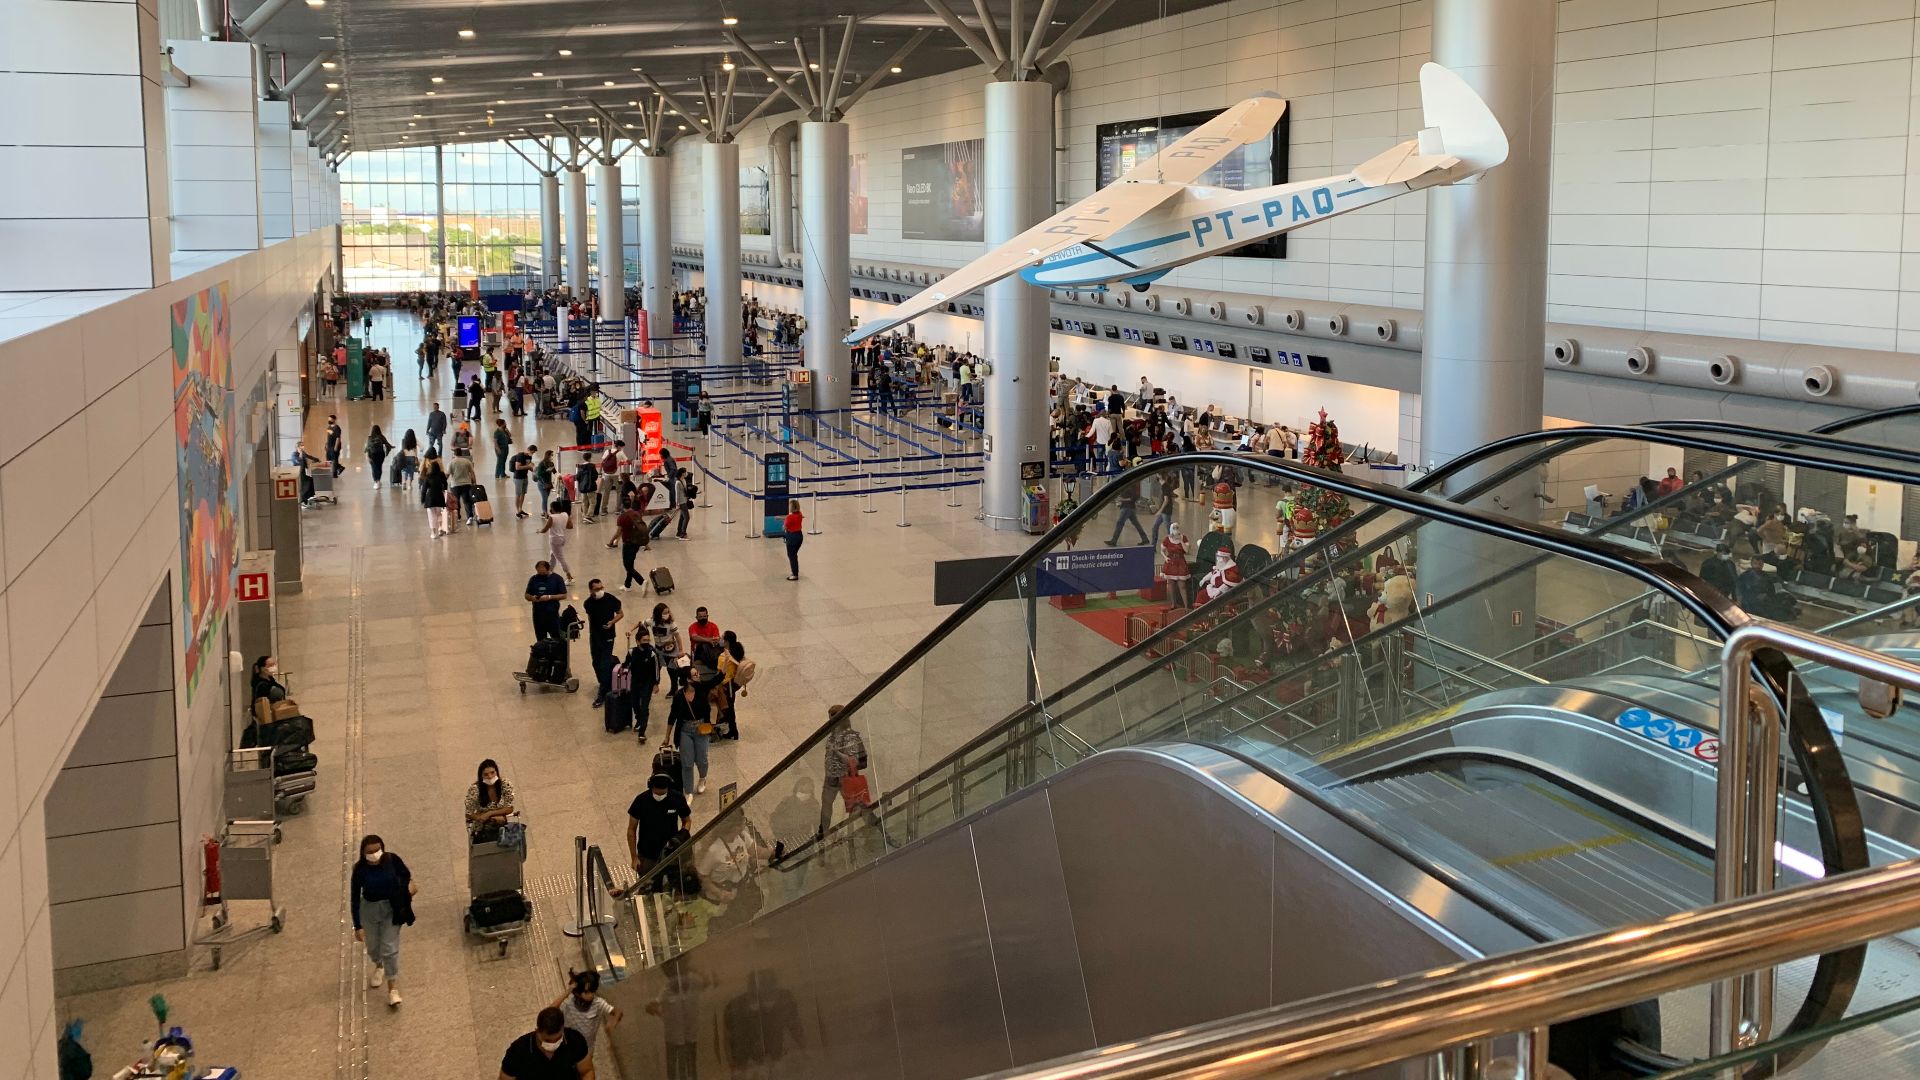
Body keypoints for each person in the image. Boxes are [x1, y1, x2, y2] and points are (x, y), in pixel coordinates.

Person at [350, 834, 413, 1008]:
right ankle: (379, 965)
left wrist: (402, 890)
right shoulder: (360, 870)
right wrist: (358, 925)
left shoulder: (392, 860)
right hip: (369, 910)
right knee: (374, 946)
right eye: (369, 851)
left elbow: (406, 874)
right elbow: (355, 897)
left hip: (391, 909)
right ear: (363, 853)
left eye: (377, 850)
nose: (374, 854)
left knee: (390, 948)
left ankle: (392, 987)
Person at [498, 1007, 593, 1080]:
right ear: (537, 1031)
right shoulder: (518, 1052)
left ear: (562, 1029)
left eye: (558, 1039)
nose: (554, 1044)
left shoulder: (575, 1041)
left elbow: (586, 1072)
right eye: (547, 1040)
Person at [626, 771, 691, 877]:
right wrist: (634, 858)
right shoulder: (641, 800)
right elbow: (631, 830)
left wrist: (682, 835)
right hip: (647, 856)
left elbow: (687, 820)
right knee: (646, 887)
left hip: (671, 853)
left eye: (662, 793)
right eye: (657, 793)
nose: (659, 796)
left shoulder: (677, 798)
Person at [551, 971, 622, 1053]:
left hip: (587, 1047)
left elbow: (617, 1012)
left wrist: (613, 1022)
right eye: (586, 992)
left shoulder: (598, 1003)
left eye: (592, 991)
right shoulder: (568, 1003)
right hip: (568, 1043)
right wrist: (568, 991)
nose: (591, 995)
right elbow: (550, 1010)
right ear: (577, 993)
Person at [583, 578, 623, 708]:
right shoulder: (588, 603)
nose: (600, 591)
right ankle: (603, 682)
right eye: (597, 589)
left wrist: (612, 622)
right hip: (595, 636)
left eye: (601, 588)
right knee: (596, 660)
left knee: (605, 662)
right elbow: (590, 618)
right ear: (591, 590)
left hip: (608, 636)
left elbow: (620, 614)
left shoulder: (610, 599)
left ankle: (602, 692)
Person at [665, 681, 710, 795]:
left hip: (701, 729)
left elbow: (708, 711)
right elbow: (672, 716)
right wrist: (667, 736)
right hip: (685, 730)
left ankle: (702, 778)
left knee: (702, 759)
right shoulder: (679, 696)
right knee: (687, 763)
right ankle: (688, 791)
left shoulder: (701, 693)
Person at [465, 759, 518, 839]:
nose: (490, 777)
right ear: (481, 776)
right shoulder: (475, 789)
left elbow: (509, 808)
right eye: (486, 774)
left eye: (492, 773)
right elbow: (469, 813)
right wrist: (486, 818)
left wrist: (490, 814)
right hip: (482, 830)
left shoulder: (505, 784)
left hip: (503, 826)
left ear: (497, 772)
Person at [608, 494, 652, 590]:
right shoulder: (636, 513)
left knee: (627, 566)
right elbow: (641, 528)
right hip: (637, 543)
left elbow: (618, 533)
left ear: (622, 505)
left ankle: (642, 581)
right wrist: (646, 543)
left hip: (628, 543)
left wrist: (611, 541)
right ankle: (627, 585)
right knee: (630, 563)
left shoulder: (622, 517)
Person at [525, 560, 568, 642]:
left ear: (548, 570)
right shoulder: (533, 579)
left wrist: (550, 597)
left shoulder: (557, 579)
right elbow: (527, 595)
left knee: (556, 637)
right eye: (539, 573)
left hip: (552, 613)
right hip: (538, 614)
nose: (541, 575)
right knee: (540, 638)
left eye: (543, 573)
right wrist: (533, 598)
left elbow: (564, 595)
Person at [651, 603, 689, 693]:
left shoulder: (671, 624)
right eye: (664, 613)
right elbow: (642, 624)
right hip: (658, 650)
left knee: (672, 670)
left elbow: (677, 636)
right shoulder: (651, 622)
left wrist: (680, 650)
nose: (666, 614)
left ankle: (674, 688)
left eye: (668, 612)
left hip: (670, 651)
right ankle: (654, 685)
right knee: (655, 668)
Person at [539, 497, 576, 580]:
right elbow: (570, 526)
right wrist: (561, 525)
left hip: (554, 540)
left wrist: (539, 531)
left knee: (560, 558)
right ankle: (549, 571)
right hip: (562, 538)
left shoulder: (552, 517)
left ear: (552, 508)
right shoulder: (565, 515)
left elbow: (545, 529)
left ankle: (569, 575)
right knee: (553, 556)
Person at [420, 454, 451, 538]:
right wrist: (444, 490)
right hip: (439, 497)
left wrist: (422, 499)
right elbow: (445, 483)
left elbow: (424, 490)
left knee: (431, 515)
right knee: (439, 514)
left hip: (430, 498)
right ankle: (440, 528)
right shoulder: (441, 475)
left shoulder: (427, 477)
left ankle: (433, 532)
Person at [449, 448, 479, 524]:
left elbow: (448, 474)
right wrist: (474, 482)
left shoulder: (451, 463)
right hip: (466, 483)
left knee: (456, 501)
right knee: (467, 501)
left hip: (455, 484)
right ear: (461, 454)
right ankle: (470, 517)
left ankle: (458, 517)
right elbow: (472, 473)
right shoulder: (467, 462)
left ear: (454, 454)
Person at [510, 445, 536, 518]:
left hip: (525, 477)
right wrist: (529, 466)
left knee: (523, 493)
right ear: (528, 449)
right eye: (531, 452)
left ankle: (520, 509)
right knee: (518, 494)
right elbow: (517, 467)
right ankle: (517, 511)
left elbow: (529, 466)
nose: (532, 454)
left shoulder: (529, 457)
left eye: (533, 453)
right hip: (518, 478)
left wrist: (534, 469)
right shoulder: (520, 455)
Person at [782, 500, 804, 581]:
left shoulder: (789, 517)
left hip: (792, 537)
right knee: (794, 555)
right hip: (799, 536)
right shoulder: (800, 514)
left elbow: (784, 527)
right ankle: (795, 571)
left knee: (792, 556)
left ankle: (795, 574)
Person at [534, 449, 558, 519]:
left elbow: (554, 472)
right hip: (542, 484)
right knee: (545, 498)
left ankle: (543, 511)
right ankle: (545, 512)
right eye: (551, 455)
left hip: (548, 483)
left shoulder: (551, 463)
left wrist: (557, 474)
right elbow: (539, 474)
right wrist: (547, 471)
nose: (552, 457)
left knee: (546, 498)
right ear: (548, 456)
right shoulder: (542, 464)